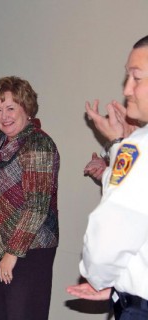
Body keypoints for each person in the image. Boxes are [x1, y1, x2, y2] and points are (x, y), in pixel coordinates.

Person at [67, 35, 148, 319]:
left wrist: (101, 277)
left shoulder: (141, 146)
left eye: (136, 78)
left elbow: (114, 231)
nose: (127, 89)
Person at [0, 76, 60, 320]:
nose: (4, 116)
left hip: (28, 250)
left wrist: (12, 254)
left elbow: (37, 207)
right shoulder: (0, 142)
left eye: (11, 108)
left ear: (27, 108)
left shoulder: (37, 143)